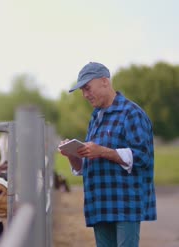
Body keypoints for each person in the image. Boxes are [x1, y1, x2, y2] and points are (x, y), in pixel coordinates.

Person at [59, 62, 156, 247]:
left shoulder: (132, 113)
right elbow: (87, 166)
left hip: (125, 205)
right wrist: (72, 155)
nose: (85, 95)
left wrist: (102, 151)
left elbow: (143, 157)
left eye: (87, 88)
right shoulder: (96, 117)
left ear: (104, 81)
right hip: (100, 204)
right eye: (82, 91)